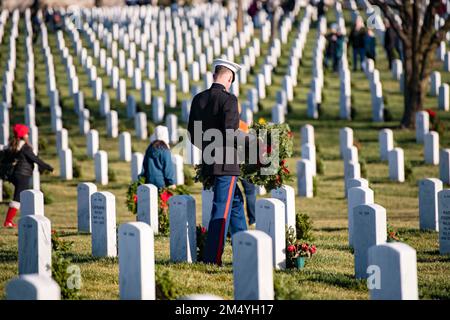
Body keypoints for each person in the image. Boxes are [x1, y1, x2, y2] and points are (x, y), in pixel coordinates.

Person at [188, 58, 247, 266]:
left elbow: (193, 135)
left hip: (210, 161)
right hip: (226, 164)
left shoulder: (198, 99)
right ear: (229, 78)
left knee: (236, 204)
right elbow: (231, 134)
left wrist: (209, 149)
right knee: (221, 209)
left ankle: (245, 249)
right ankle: (212, 258)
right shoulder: (229, 100)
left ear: (215, 75)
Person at [2, 124, 53, 228]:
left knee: (20, 196)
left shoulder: (12, 145)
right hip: (23, 175)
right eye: (26, 133)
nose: (27, 135)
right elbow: (35, 159)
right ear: (23, 135)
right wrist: (47, 167)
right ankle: (8, 221)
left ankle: (13, 220)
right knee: (17, 197)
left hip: (14, 175)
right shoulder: (25, 147)